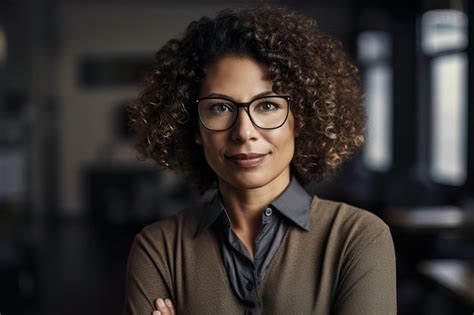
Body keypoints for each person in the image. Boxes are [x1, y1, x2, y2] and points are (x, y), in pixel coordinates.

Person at [123, 4, 396, 315]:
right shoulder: (158, 250)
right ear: (195, 126)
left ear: (299, 118)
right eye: (220, 108)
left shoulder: (357, 238)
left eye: (267, 106)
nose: (244, 132)